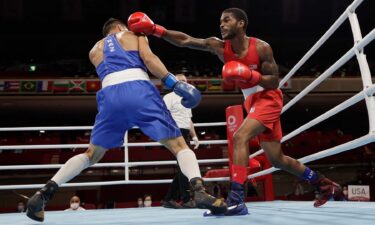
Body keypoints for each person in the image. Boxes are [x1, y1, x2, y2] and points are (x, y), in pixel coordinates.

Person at [127, 8, 342, 216]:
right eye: (220, 20)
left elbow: (275, 80)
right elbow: (186, 40)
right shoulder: (219, 47)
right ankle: (323, 183)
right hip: (252, 101)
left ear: (241, 23)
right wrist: (155, 29)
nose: (222, 24)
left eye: (227, 20)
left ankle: (237, 201)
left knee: (240, 137)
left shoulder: (261, 48)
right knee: (277, 159)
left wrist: (249, 75)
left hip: (268, 97)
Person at [25, 18, 227, 222]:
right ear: (122, 27)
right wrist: (174, 83)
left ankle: (43, 194)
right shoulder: (134, 35)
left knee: (91, 154)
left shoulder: (95, 50)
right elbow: (149, 60)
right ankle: (199, 191)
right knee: (179, 146)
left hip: (109, 96)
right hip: (137, 89)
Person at [162, 74, 199, 209]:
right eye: (181, 81)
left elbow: (189, 121)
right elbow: (163, 115)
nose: (184, 83)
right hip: (174, 132)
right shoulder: (169, 97)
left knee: (183, 167)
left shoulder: (189, 99)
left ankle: (169, 198)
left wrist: (194, 136)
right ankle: (186, 199)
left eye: (185, 81)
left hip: (184, 133)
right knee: (185, 165)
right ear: (175, 83)